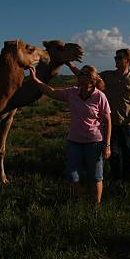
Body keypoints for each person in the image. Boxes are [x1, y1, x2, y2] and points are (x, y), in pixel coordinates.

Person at [28, 65, 111, 203]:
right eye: (80, 74)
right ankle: (76, 202)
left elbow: (108, 121)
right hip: (74, 141)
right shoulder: (72, 92)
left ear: (91, 78)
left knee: (96, 176)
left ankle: (96, 206)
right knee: (73, 175)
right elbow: (51, 92)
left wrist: (107, 145)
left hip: (94, 142)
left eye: (83, 73)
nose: (79, 75)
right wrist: (35, 79)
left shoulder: (99, 96)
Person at [67, 48, 130, 181]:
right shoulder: (107, 76)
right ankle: (116, 179)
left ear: (128, 61)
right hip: (109, 123)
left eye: (119, 58)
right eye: (115, 57)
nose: (116, 59)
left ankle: (127, 180)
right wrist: (69, 65)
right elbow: (85, 76)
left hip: (127, 124)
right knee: (113, 154)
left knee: (128, 153)